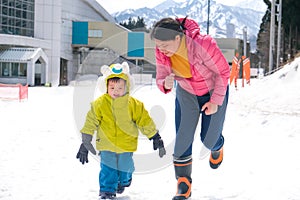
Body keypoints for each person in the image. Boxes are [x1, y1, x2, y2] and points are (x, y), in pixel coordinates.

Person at [150, 16, 230, 200]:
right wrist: (165, 82)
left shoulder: (203, 45)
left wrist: (216, 101)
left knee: (208, 140)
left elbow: (223, 72)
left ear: (178, 38)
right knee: (183, 139)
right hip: (187, 92)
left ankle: (217, 145)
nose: (161, 50)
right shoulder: (162, 51)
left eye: (165, 45)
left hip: (213, 90)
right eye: (158, 45)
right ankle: (183, 184)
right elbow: (161, 77)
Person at [76, 62, 166, 199]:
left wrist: (155, 136)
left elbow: (145, 121)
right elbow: (90, 122)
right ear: (106, 87)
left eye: (120, 87)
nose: (116, 91)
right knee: (108, 169)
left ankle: (124, 180)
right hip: (106, 145)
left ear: (127, 87)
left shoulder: (134, 105)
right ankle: (107, 191)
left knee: (125, 166)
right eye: (112, 87)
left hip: (126, 145)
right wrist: (85, 141)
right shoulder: (99, 104)